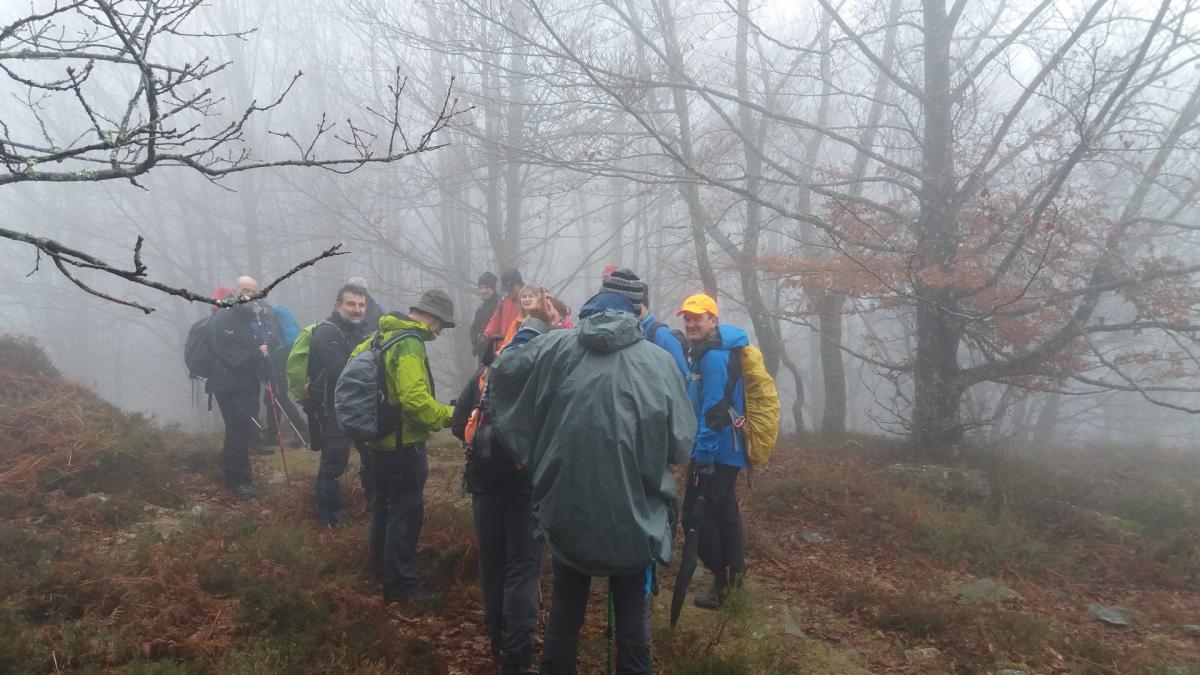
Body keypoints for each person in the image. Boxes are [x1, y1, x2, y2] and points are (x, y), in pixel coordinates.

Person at [490, 289, 696, 675]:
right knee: (633, 608)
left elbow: (504, 371)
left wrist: (534, 322)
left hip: (567, 508)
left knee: (567, 604)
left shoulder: (554, 347)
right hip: (637, 513)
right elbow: (681, 443)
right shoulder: (660, 361)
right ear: (634, 317)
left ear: (586, 315)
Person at [351, 289, 456, 602]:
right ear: (434, 317)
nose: (439, 332)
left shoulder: (379, 335)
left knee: (383, 506)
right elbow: (415, 402)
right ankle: (402, 585)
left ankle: (380, 572)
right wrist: (453, 415)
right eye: (442, 325)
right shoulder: (408, 342)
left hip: (375, 442)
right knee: (406, 511)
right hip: (403, 445)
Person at [676, 293, 749, 610]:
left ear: (713, 320)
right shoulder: (704, 352)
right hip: (724, 450)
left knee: (695, 517)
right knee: (724, 514)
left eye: (698, 317)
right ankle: (734, 578)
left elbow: (715, 411)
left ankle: (722, 580)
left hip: (716, 451)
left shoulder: (715, 357)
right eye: (687, 318)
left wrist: (702, 457)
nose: (691, 323)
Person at [307, 283, 369, 527]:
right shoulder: (327, 332)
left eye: (361, 305)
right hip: (330, 405)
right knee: (333, 463)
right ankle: (328, 517)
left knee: (369, 456)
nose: (357, 310)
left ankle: (370, 505)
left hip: (355, 405)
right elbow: (341, 371)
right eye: (351, 304)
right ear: (338, 306)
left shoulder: (357, 332)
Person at [206, 276, 269, 499]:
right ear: (234, 291)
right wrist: (256, 354)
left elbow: (253, 348)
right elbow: (225, 351)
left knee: (244, 430)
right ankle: (237, 481)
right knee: (237, 429)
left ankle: (241, 477)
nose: (249, 294)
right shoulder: (224, 315)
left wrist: (263, 356)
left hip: (247, 383)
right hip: (227, 385)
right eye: (244, 289)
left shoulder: (251, 317)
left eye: (253, 291)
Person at [601, 269, 688, 380]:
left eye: (635, 305)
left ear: (644, 305)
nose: (631, 310)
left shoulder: (661, 334)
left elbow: (682, 374)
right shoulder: (627, 332)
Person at [480, 268, 523, 355]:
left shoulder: (528, 300)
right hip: (503, 347)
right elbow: (496, 319)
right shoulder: (504, 301)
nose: (509, 291)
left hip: (519, 347)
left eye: (512, 288)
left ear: (519, 284)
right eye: (507, 289)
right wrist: (486, 334)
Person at [471, 272, 500, 356]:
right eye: (481, 288)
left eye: (486, 287)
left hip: (495, 353)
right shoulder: (481, 308)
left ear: (493, 288)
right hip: (482, 353)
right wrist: (476, 342)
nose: (483, 291)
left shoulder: (500, 305)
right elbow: (474, 329)